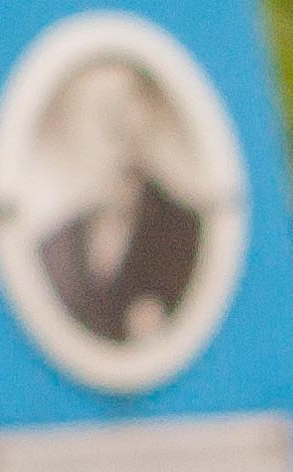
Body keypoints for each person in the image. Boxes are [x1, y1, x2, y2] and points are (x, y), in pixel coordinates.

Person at [35, 60, 206, 347]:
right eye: (98, 113)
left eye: (121, 109)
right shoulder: (56, 244)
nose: (113, 127)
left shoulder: (186, 231)